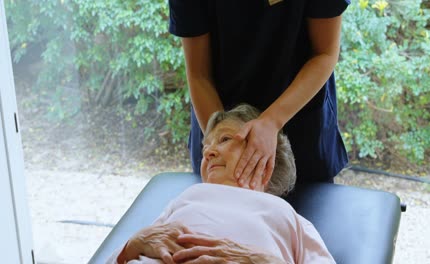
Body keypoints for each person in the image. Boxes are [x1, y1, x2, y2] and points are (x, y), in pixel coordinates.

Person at [108, 104, 335, 264]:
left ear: (267, 155)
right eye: (205, 147)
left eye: (225, 139)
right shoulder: (187, 198)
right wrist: (134, 244)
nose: (208, 152)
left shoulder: (288, 217)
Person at [168, 0, 350, 197]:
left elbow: (324, 53)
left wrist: (271, 121)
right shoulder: (217, 150)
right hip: (218, 113)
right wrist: (222, 141)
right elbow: (199, 75)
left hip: (299, 119)